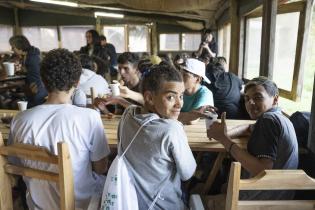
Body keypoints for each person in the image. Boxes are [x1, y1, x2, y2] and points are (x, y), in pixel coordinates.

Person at [8, 49, 110, 209]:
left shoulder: (19, 119)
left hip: (37, 205)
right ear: (77, 82)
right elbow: (101, 167)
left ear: (43, 79)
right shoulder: (89, 117)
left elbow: (15, 165)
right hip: (82, 205)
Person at [118, 64, 196, 209]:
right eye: (171, 97)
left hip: (128, 202)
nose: (180, 104)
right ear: (149, 97)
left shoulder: (127, 114)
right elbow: (188, 173)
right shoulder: (171, 129)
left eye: (181, 96)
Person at [207, 76, 298, 201]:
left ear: (275, 99)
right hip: (281, 196)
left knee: (199, 199)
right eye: (247, 98)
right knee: (223, 187)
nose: (250, 103)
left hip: (262, 201)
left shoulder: (268, 121)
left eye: (258, 97)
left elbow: (261, 170)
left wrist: (224, 140)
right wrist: (225, 133)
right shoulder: (279, 118)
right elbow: (248, 128)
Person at [9, 35, 48, 108]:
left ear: (19, 46)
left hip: (37, 92)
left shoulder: (32, 58)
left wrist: (36, 90)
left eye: (13, 47)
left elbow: (37, 77)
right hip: (37, 90)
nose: (12, 49)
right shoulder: (31, 55)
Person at [178, 58, 214, 124]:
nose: (180, 77)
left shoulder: (206, 94)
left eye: (185, 75)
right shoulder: (178, 90)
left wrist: (172, 115)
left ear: (198, 79)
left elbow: (192, 120)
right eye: (180, 73)